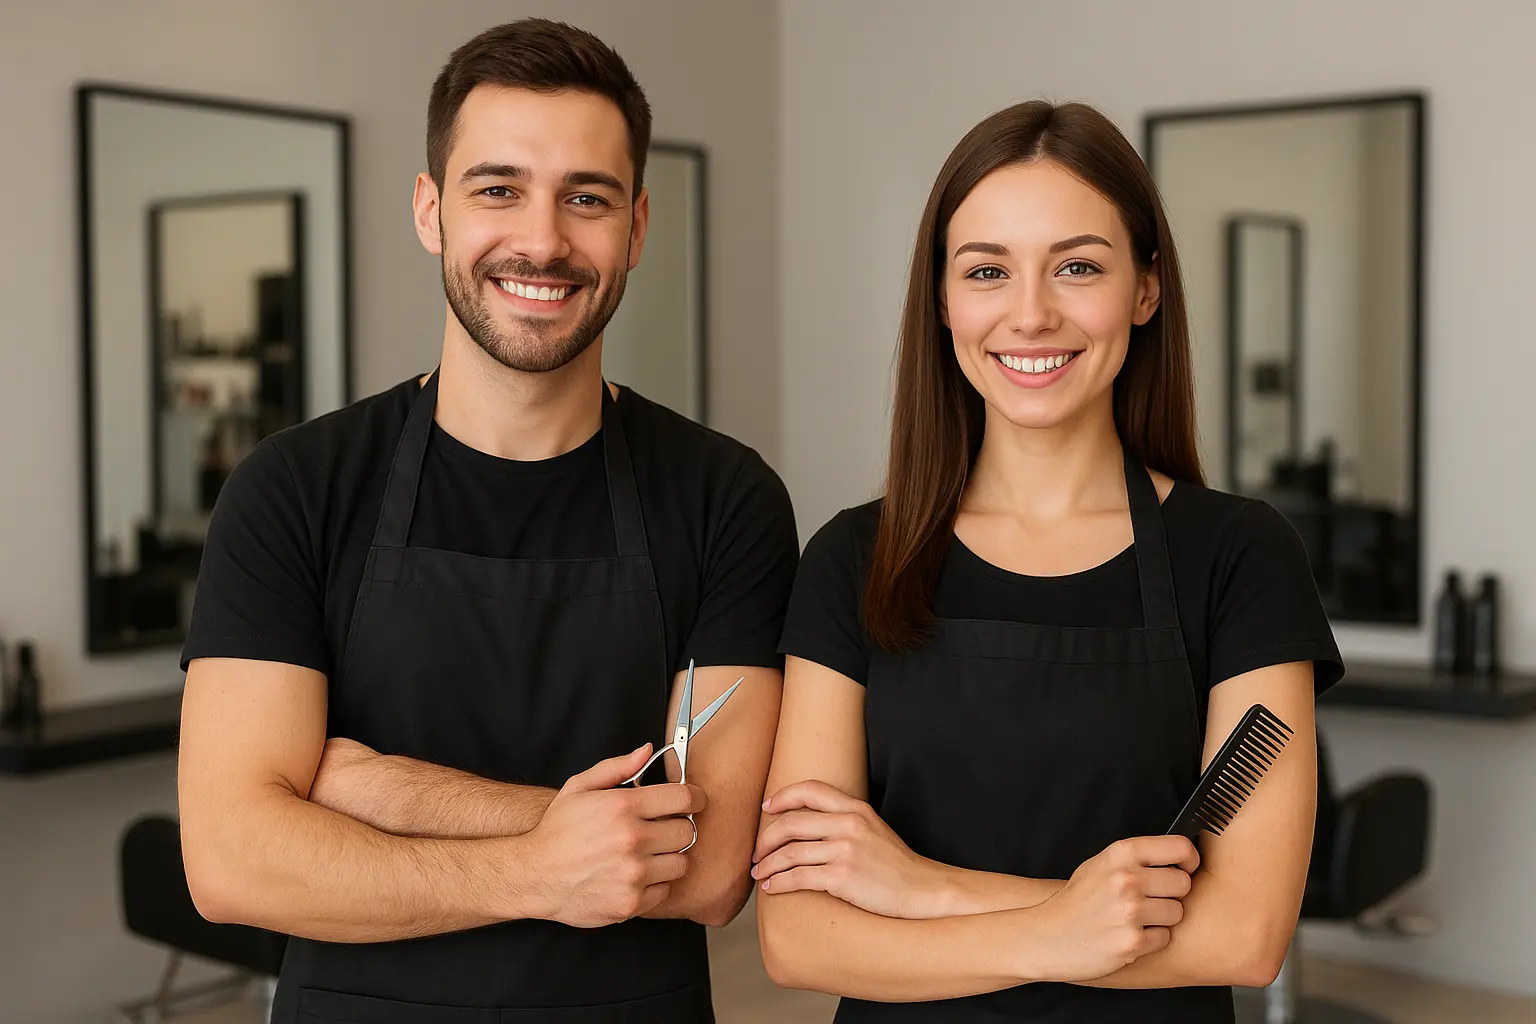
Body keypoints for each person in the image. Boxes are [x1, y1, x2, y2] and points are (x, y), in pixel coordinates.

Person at [176, 19, 797, 1023]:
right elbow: (232, 862)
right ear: (431, 210)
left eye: (585, 199)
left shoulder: (726, 499)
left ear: (637, 228)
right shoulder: (293, 488)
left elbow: (715, 868)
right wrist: (540, 865)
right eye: (497, 188)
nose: (543, 240)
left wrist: (376, 790)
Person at [755, 100, 1344, 1022]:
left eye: (1077, 267)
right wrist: (1057, 926)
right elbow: (800, 939)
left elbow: (1244, 936)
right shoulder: (853, 559)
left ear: (1146, 289)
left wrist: (923, 891)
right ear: (944, 302)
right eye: (987, 270)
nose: (1030, 315)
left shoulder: (1241, 556)